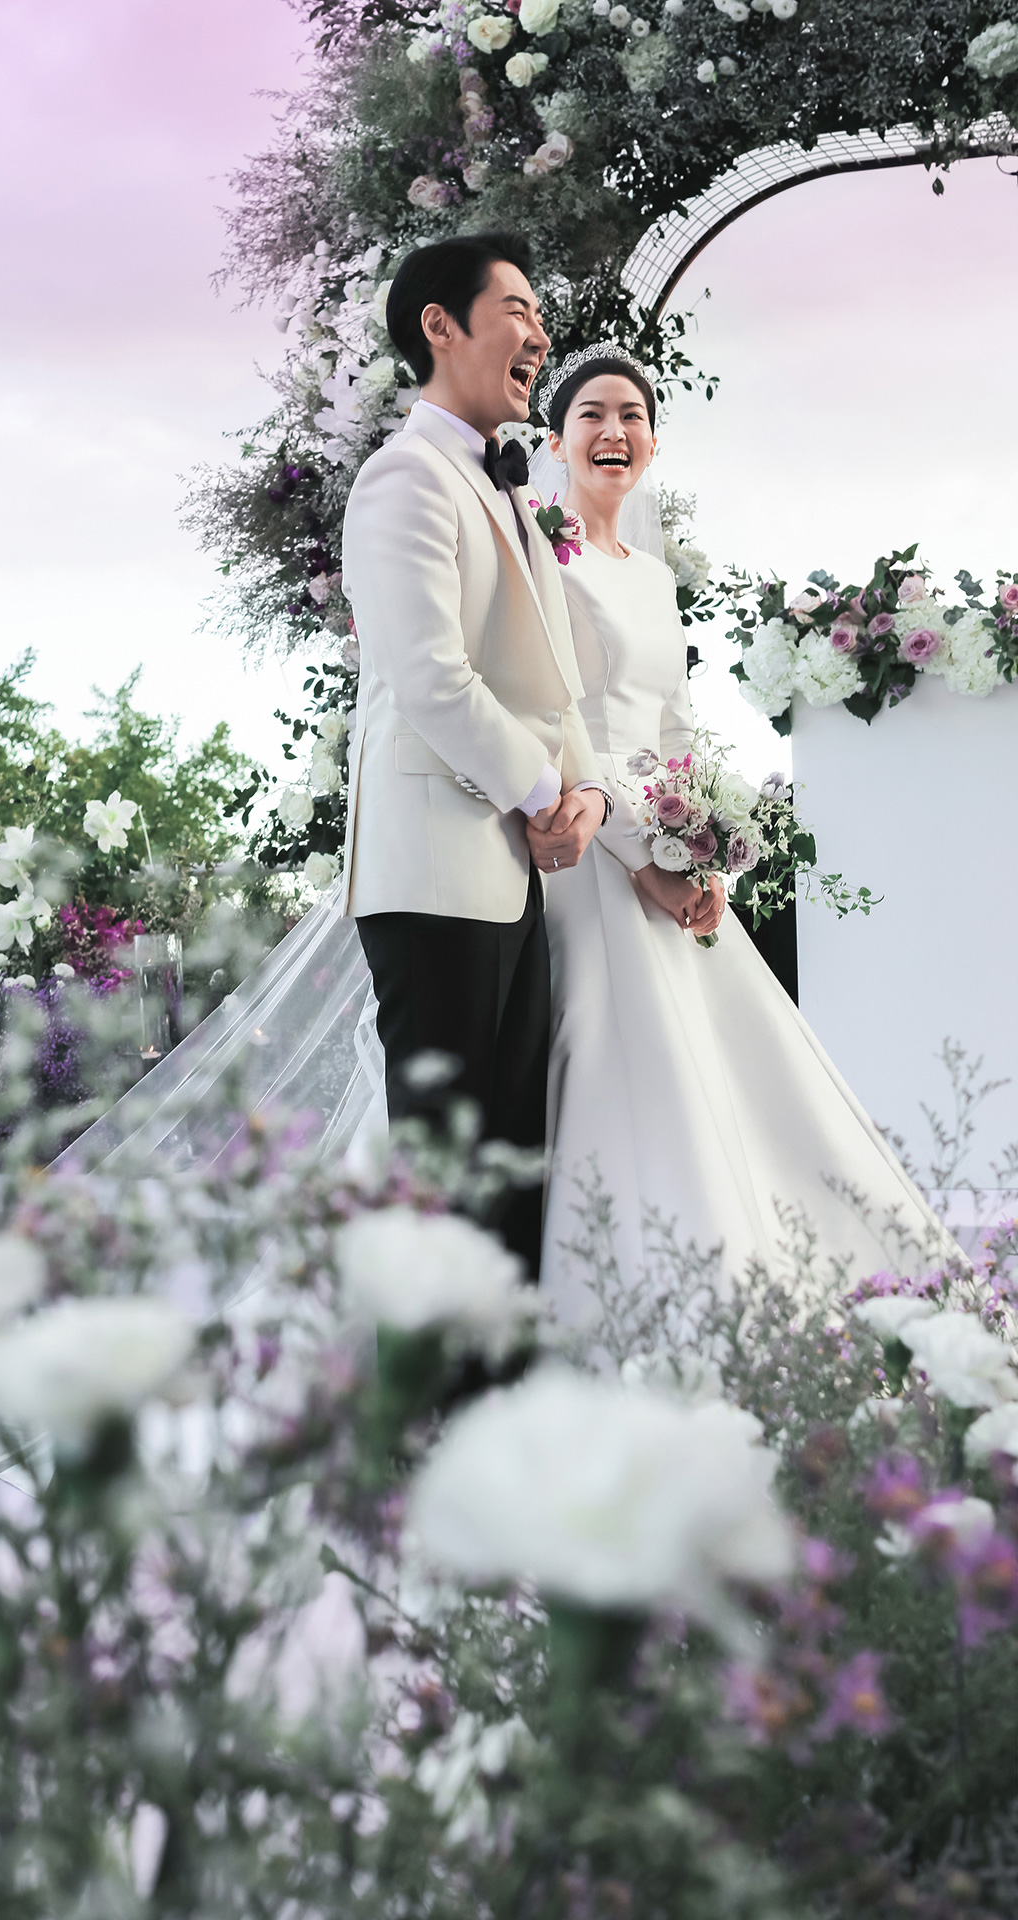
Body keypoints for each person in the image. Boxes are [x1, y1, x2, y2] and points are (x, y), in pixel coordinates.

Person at [533, 344, 958, 1323]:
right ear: (555, 442)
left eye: (632, 416)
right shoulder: (543, 559)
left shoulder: (650, 576)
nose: (613, 431)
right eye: (591, 414)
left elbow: (674, 730)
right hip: (588, 850)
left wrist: (703, 850)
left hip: (666, 842)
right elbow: (555, 725)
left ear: (651, 442)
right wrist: (641, 858)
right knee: (617, 1057)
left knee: (741, 1074)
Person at [340, 234, 636, 1274]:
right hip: (433, 878)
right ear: (440, 326)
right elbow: (431, 678)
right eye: (517, 310)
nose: (539, 335)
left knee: (510, 1173)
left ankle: (495, 1378)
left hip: (508, 877)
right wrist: (542, 793)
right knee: (444, 1182)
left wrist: (586, 791)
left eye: (539, 313)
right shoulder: (402, 479)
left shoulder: (505, 487)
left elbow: (550, 675)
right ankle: (427, 1381)